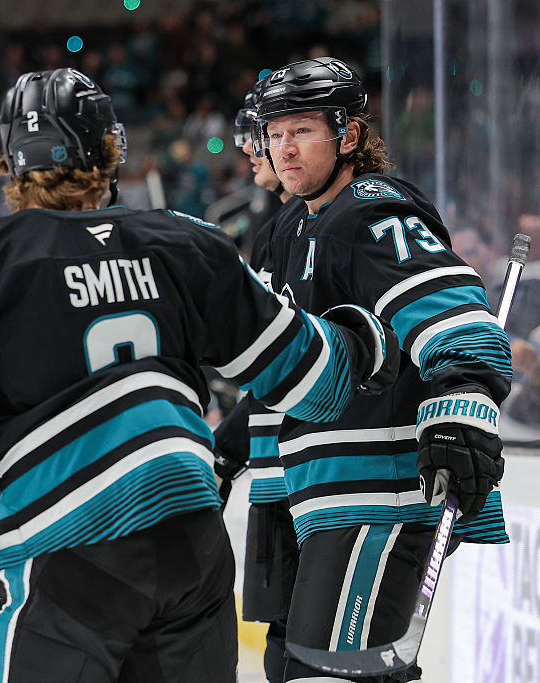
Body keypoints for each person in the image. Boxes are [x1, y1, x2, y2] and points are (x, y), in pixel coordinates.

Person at [0, 68, 398, 683]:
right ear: (109, 149)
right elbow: (320, 381)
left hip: (68, 552)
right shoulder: (187, 241)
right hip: (192, 544)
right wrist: (367, 338)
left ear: (12, 161)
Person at [250, 58, 513, 682]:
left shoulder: (370, 211)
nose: (284, 148)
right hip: (333, 493)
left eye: (303, 130)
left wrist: (460, 411)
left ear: (348, 136)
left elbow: (456, 317)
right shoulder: (299, 224)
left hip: (383, 493)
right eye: (275, 131)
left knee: (329, 674)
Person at [212, 80, 306, 683]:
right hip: (277, 471)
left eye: (262, 136)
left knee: (303, 655)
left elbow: (299, 369)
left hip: (311, 478)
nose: (251, 150)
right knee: (280, 647)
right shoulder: (277, 229)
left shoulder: (318, 224)